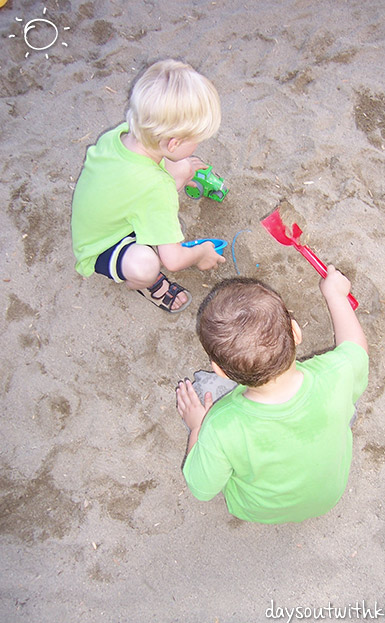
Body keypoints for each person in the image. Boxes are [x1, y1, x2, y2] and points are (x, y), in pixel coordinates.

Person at [176, 266, 369, 523]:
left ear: (220, 370)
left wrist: (197, 428)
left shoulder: (221, 426)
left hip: (257, 510)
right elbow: (355, 347)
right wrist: (335, 295)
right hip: (328, 496)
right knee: (343, 400)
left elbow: (202, 488)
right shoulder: (336, 372)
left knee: (202, 388)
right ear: (296, 332)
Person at [71, 59, 225, 313]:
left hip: (108, 214)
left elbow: (149, 176)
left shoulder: (119, 135)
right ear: (173, 144)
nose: (198, 146)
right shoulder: (157, 188)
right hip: (100, 245)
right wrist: (201, 253)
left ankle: (153, 228)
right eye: (197, 140)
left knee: (181, 167)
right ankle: (144, 283)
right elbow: (173, 261)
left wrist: (181, 171)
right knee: (147, 264)